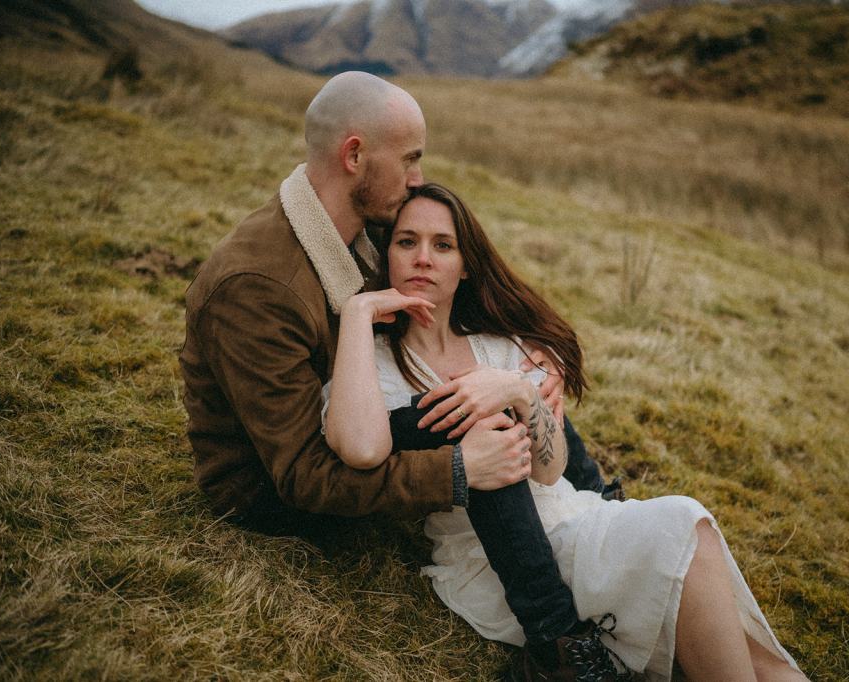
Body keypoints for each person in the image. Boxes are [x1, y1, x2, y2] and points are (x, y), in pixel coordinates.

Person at [178, 71, 623, 679]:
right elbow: (302, 477)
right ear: (355, 155)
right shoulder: (256, 288)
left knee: (489, 386)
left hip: (360, 420)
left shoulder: (363, 228)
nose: (417, 176)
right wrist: (460, 470)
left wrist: (536, 361)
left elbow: (465, 288)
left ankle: (601, 507)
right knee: (470, 413)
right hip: (270, 490)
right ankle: (557, 646)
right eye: (410, 159)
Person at [321, 182, 809, 681]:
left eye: (442, 245)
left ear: (466, 265)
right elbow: (359, 445)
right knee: (685, 525)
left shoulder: (500, 346)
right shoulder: (375, 364)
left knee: (761, 662)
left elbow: (550, 471)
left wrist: (518, 391)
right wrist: (359, 313)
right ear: (389, 255)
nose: (423, 258)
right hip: (490, 561)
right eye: (407, 242)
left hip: (572, 515)